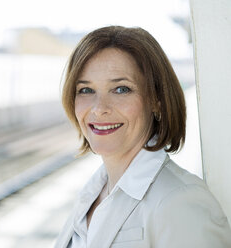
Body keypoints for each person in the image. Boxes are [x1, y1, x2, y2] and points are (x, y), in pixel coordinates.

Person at [55, 26, 231, 248]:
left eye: (121, 89)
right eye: (86, 90)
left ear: (156, 100)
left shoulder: (180, 201)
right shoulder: (91, 194)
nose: (99, 109)